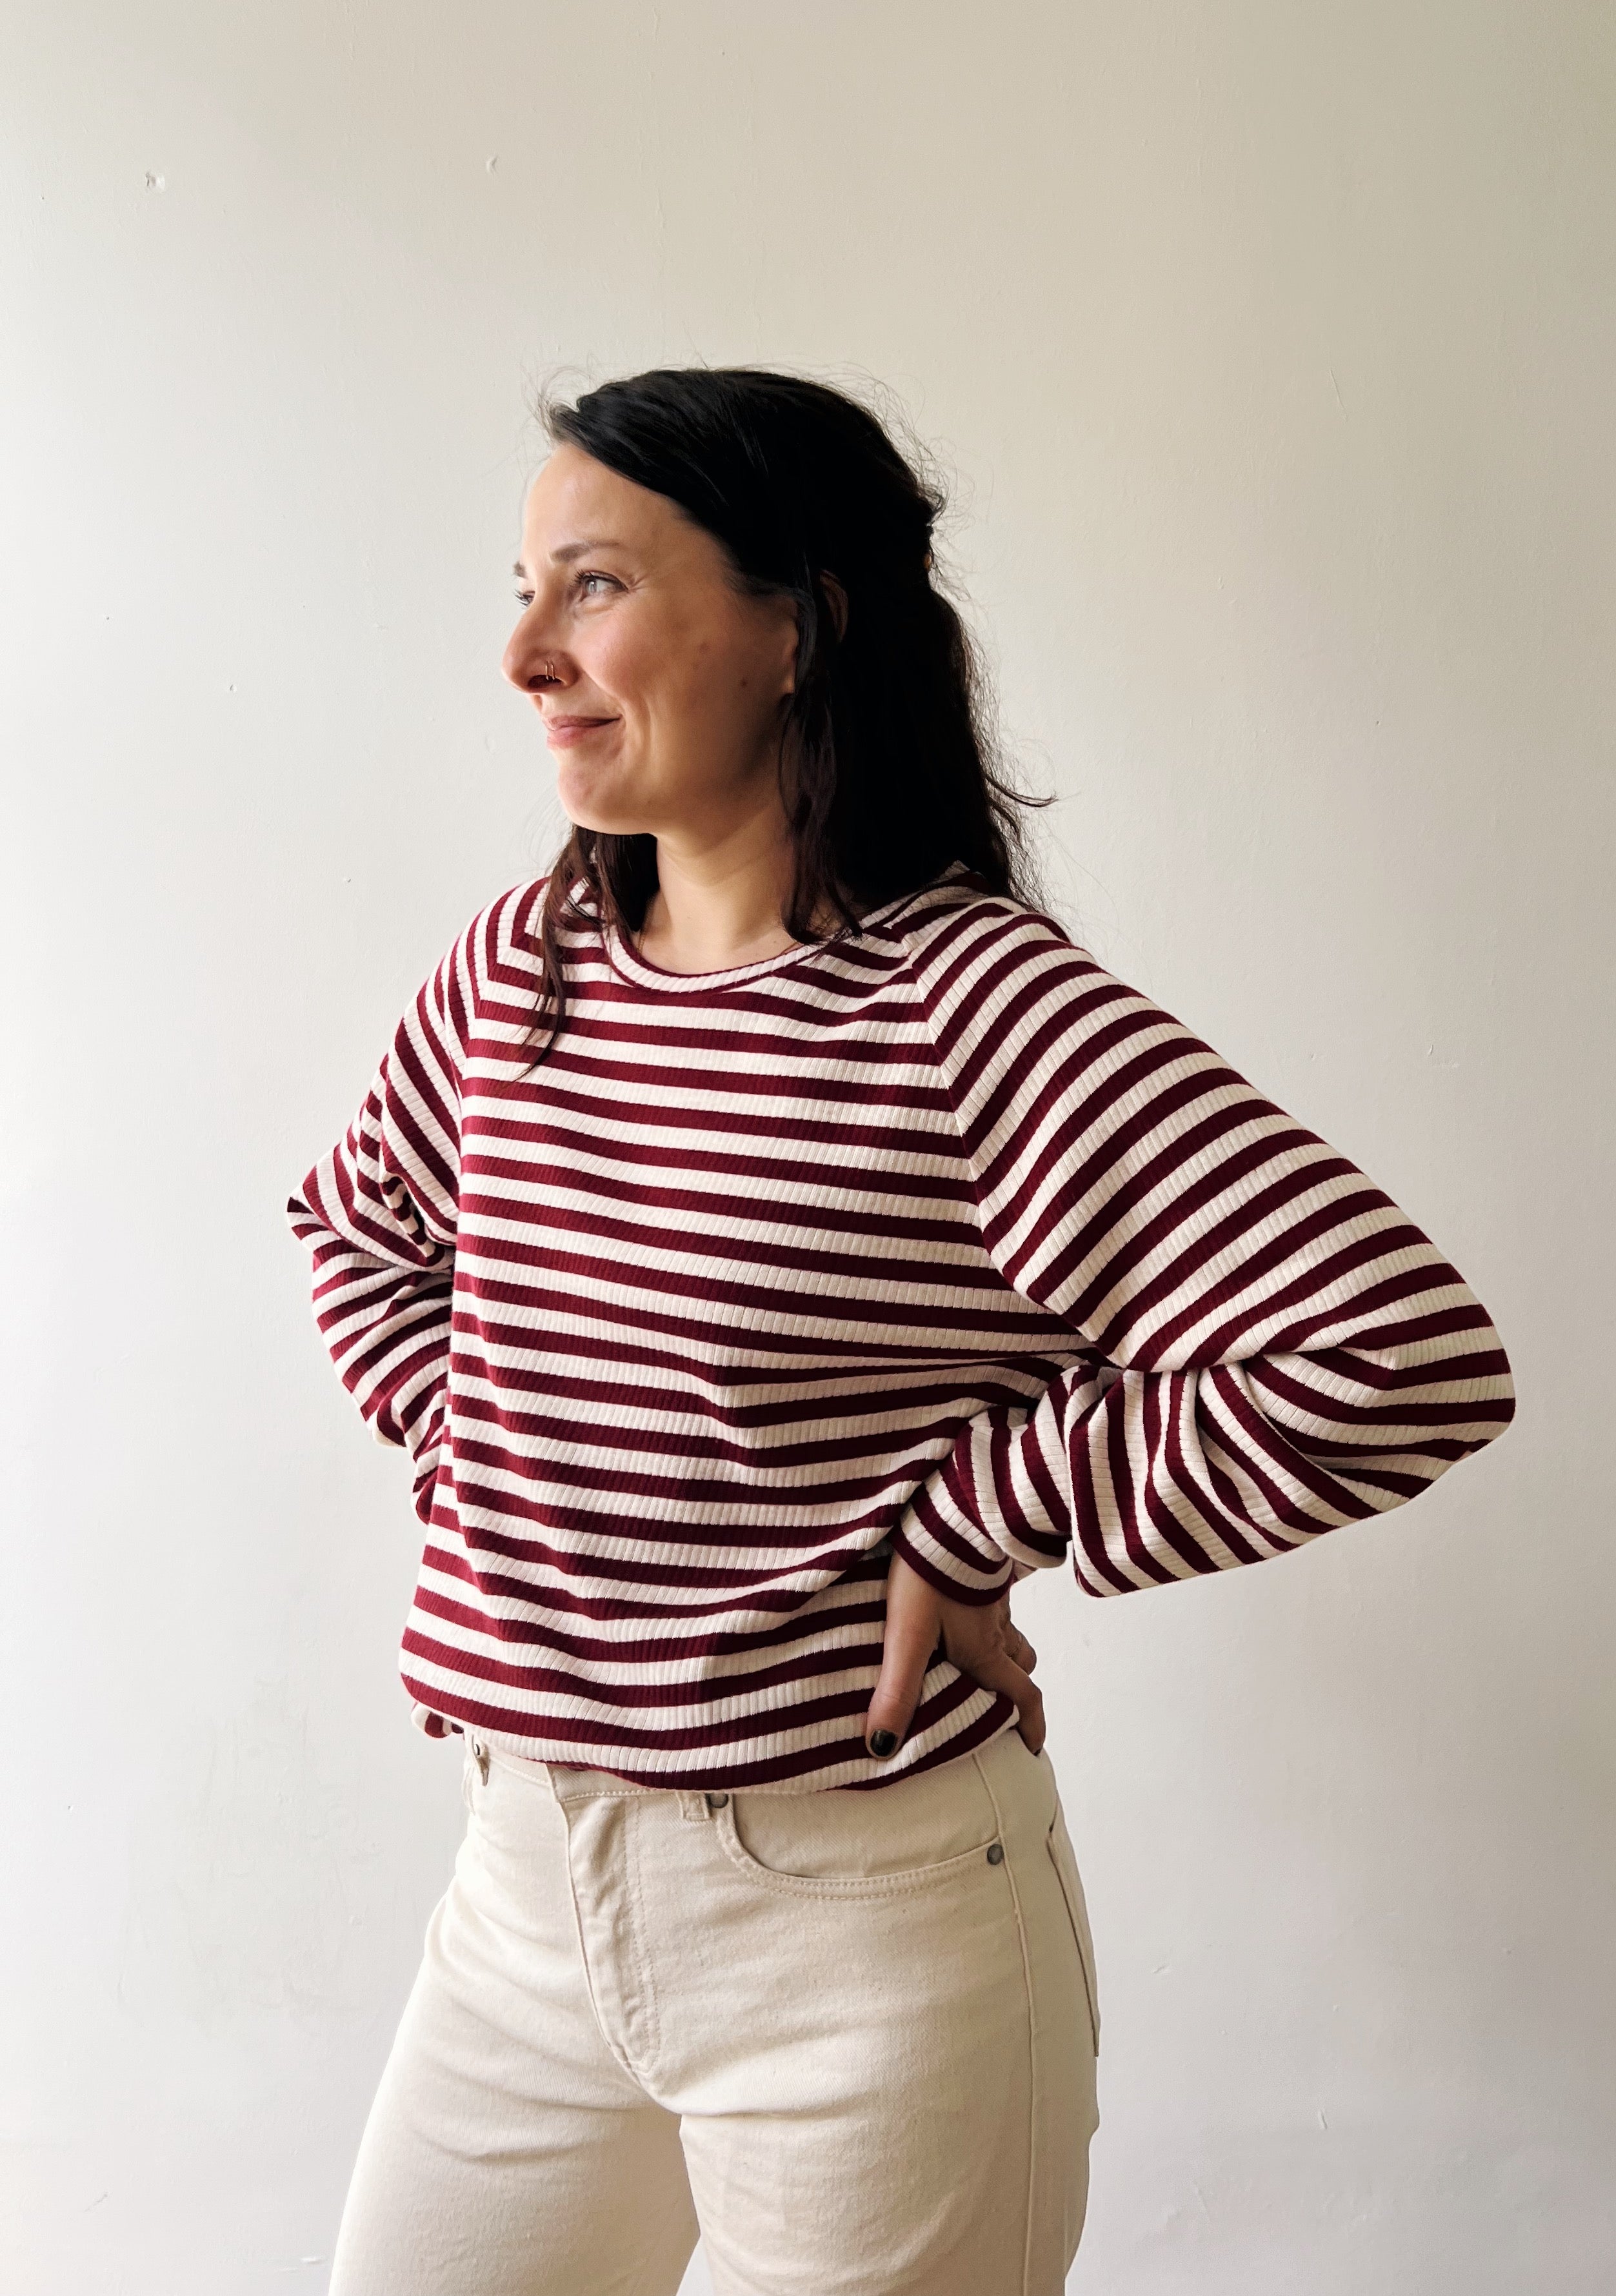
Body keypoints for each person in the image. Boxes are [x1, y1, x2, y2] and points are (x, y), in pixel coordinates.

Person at [288, 368, 1514, 2296]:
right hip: (521, 1900)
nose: (525, 652)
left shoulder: (967, 1009)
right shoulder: (518, 971)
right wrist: (489, 1441)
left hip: (860, 1933)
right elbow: (357, 1224)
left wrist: (978, 1514)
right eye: (520, 587)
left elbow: (1392, 1352)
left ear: (798, 624)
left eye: (589, 586)